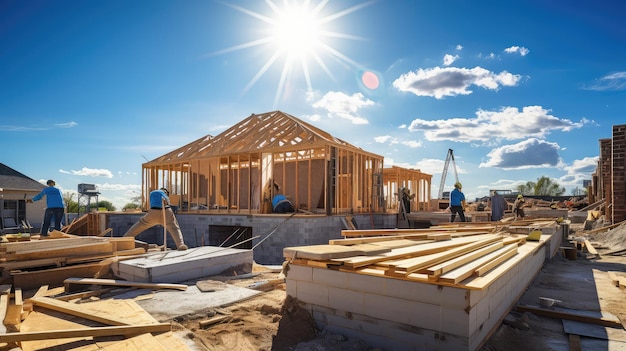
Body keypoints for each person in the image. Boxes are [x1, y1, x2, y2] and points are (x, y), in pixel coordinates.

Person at [123, 188, 188, 250]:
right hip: (166, 211)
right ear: (166, 193)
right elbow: (168, 204)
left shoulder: (152, 193)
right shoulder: (165, 195)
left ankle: (124, 239)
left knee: (141, 224)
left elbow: (150, 205)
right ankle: (180, 245)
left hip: (153, 212)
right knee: (174, 228)